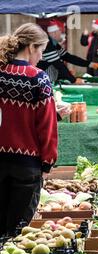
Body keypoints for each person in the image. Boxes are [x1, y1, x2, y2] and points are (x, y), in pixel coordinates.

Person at [0, 23, 58, 237]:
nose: (41, 57)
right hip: (26, 166)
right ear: (32, 47)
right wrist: (48, 162)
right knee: (16, 232)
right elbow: (47, 126)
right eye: (41, 50)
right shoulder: (38, 78)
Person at [37, 20, 98, 84]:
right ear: (55, 33)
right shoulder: (47, 43)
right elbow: (58, 64)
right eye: (62, 32)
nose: (64, 34)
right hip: (43, 80)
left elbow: (68, 57)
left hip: (52, 78)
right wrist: (73, 80)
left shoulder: (54, 43)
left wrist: (91, 64)